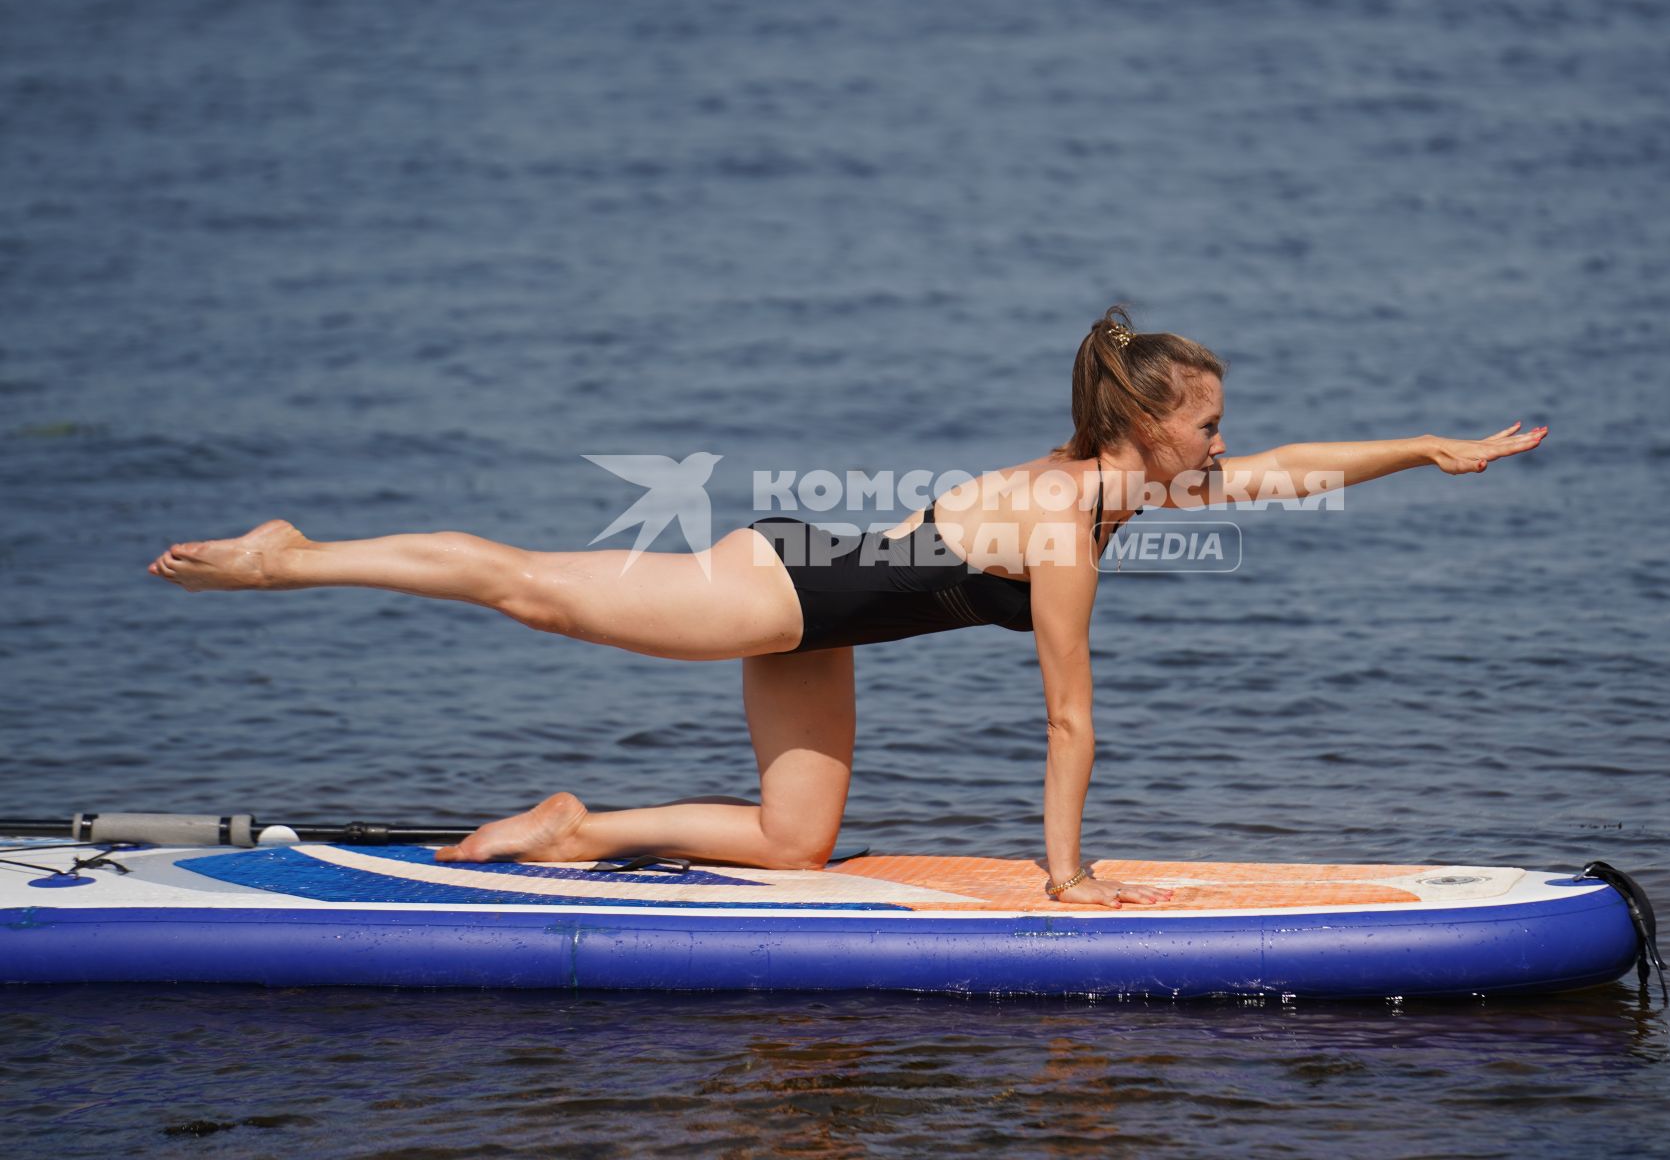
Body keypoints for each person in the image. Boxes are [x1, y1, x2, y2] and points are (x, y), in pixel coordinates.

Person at [147, 305, 1547, 908]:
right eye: (1215, 425)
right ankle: (293, 551)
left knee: (794, 845)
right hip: (779, 583)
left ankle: (578, 828)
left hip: (825, 624)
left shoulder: (1127, 492)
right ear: (1147, 421)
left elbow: (1296, 474)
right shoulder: (1067, 514)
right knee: (536, 591)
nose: (1231, 446)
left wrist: (1429, 447)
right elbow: (1067, 715)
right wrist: (1065, 879)